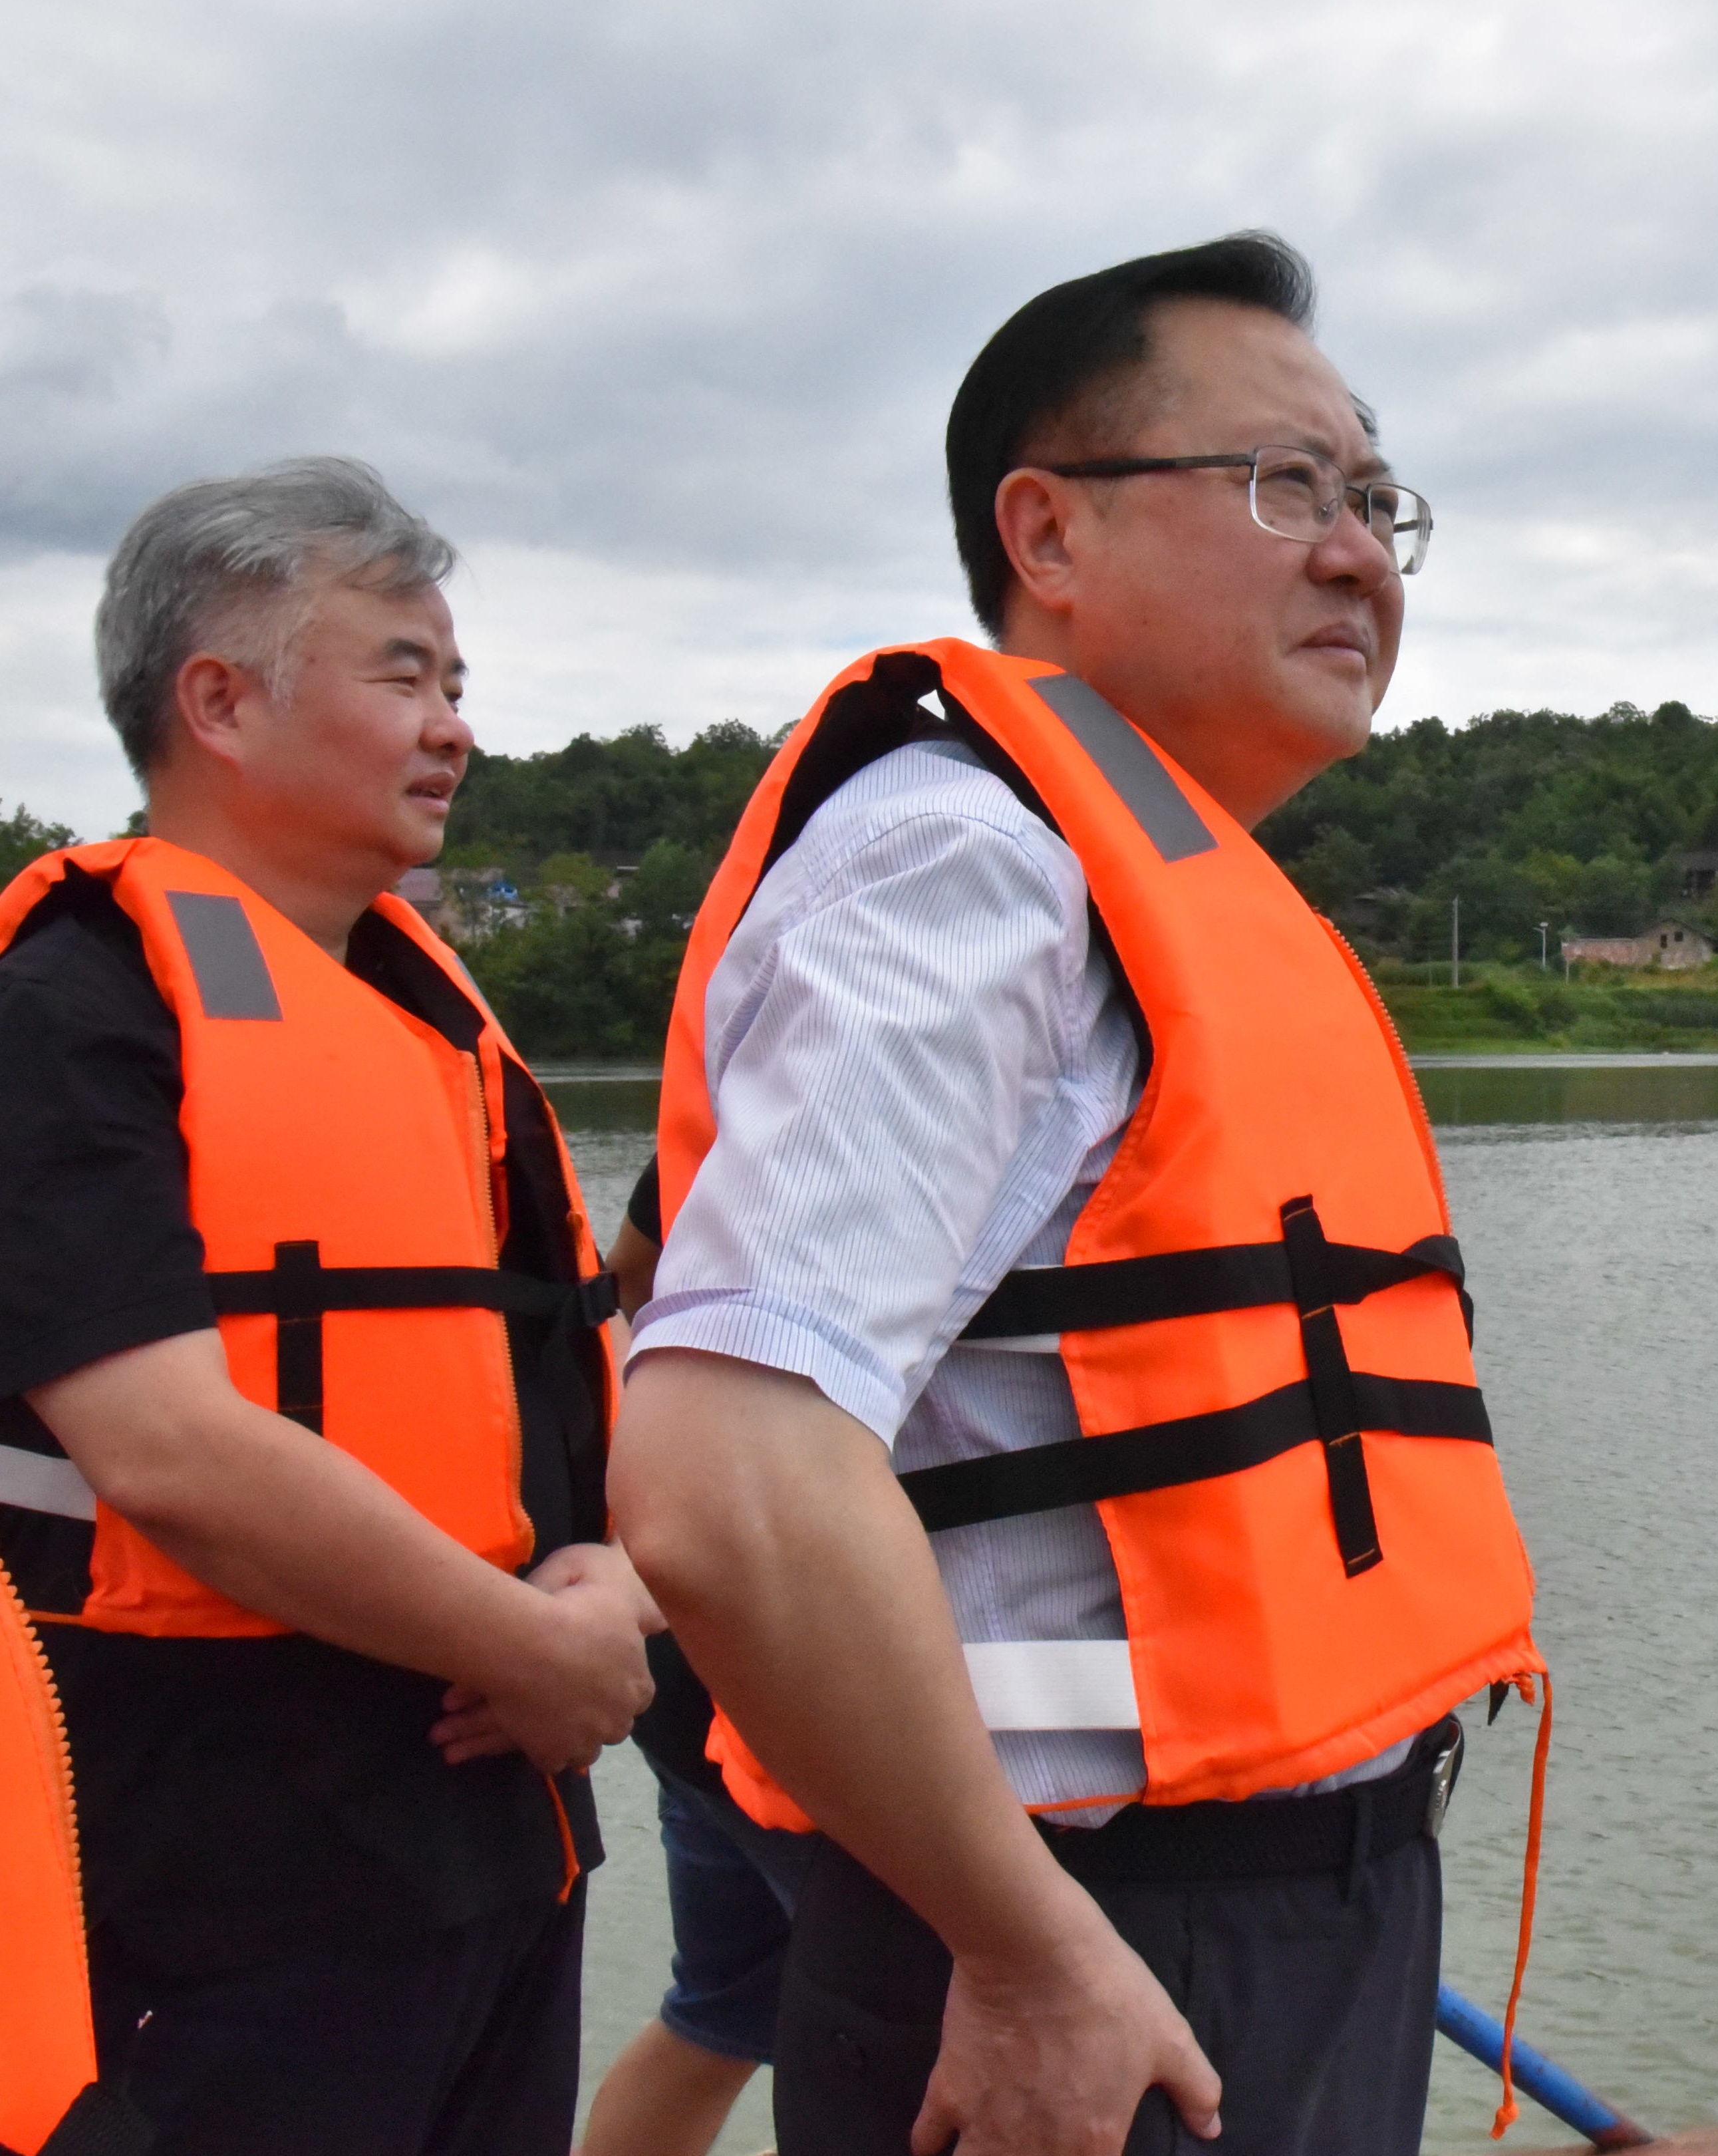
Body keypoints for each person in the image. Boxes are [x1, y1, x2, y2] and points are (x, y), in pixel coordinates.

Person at [609, 233, 1546, 2156]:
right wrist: (1024, 1946)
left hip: (1273, 1900)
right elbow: (724, 1480)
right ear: (1046, 533)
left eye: (1379, 499)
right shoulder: (966, 868)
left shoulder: (1170, 877)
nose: (1359, 550)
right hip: (1083, 1933)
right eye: (1288, 486)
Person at [0, 460, 655, 2155]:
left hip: (497, 1845)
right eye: (404, 674)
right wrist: (523, 1640)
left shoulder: (439, 1036)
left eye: (459, 686)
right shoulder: (68, 1007)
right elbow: (165, 1445)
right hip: (208, 1886)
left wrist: (612, 1582)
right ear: (217, 699)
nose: (453, 727)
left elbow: (566, 1377)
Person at [578, 1160, 810, 2156]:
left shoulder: (720, 1116)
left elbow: (626, 1276)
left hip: (688, 1635)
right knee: (917, 2011)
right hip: (783, 1660)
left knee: (722, 2014)